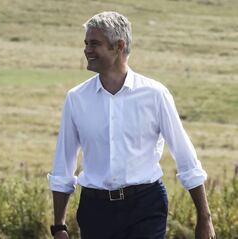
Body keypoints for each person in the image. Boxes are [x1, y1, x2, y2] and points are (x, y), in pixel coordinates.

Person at [48, 12, 216, 239]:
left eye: (94, 44)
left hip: (146, 206)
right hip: (95, 211)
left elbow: (186, 157)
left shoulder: (155, 95)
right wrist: (59, 226)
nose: (87, 50)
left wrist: (204, 218)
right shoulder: (76, 98)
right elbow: (63, 165)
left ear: (118, 46)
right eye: (86, 43)